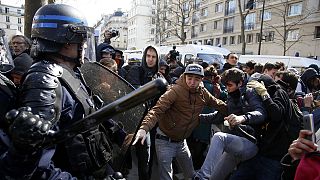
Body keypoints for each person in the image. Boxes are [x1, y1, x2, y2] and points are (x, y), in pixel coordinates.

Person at [18, 4, 118, 179]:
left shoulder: (69, 72)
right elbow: (37, 168)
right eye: (81, 39)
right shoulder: (43, 81)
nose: (84, 45)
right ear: (66, 41)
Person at [133, 63, 228, 180]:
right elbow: (157, 110)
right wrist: (144, 128)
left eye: (196, 79)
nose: (192, 82)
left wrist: (236, 112)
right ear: (184, 76)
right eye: (190, 78)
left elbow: (218, 104)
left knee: (191, 175)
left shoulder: (202, 93)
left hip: (182, 143)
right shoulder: (175, 91)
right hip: (164, 141)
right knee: (166, 177)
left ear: (201, 79)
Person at [194, 68, 266, 179]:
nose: (227, 89)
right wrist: (195, 118)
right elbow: (217, 117)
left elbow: (261, 113)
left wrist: (243, 118)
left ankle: (202, 177)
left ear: (240, 83)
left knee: (219, 137)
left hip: (250, 142)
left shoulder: (250, 93)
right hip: (234, 143)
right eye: (226, 86)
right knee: (215, 177)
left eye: (230, 85)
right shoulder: (231, 98)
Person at [231, 73, 301, 180]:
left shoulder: (279, 92)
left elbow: (276, 115)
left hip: (274, 157)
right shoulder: (258, 100)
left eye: (254, 88)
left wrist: (264, 94)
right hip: (259, 153)